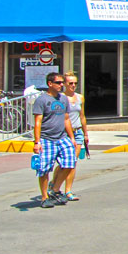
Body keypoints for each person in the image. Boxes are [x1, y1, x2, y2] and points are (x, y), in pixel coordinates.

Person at [32, 73, 77, 209]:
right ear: (50, 84)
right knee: (44, 169)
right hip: (47, 139)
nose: (61, 85)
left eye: (62, 82)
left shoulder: (63, 99)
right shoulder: (42, 100)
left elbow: (66, 119)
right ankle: (45, 197)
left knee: (70, 163)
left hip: (62, 137)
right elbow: (38, 122)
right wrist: (37, 142)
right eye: (58, 82)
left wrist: (72, 138)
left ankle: (55, 190)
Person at [61, 72, 88, 202]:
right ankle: (54, 185)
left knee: (72, 163)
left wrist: (85, 133)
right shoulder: (60, 98)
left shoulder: (80, 98)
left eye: (75, 83)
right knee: (63, 164)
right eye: (70, 83)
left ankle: (68, 191)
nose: (73, 86)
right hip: (64, 133)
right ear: (64, 84)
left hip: (77, 133)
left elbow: (82, 116)